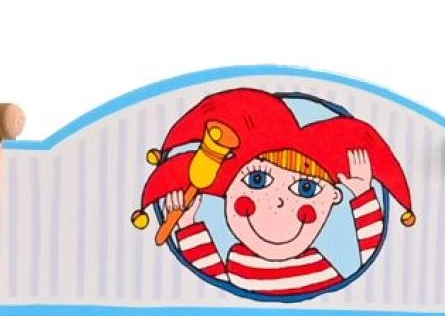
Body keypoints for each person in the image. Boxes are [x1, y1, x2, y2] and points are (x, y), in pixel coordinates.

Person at [133, 87, 414, 299]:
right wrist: (187, 225)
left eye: (306, 188)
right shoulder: (236, 263)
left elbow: (368, 252)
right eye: (257, 180)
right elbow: (208, 272)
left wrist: (363, 193)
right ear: (228, 189)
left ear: (334, 197)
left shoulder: (321, 267)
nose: (279, 201)